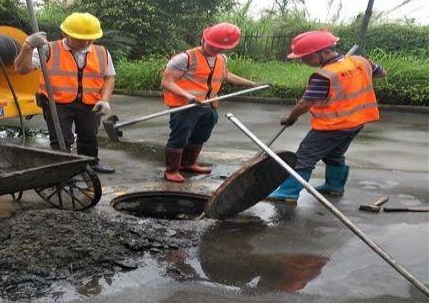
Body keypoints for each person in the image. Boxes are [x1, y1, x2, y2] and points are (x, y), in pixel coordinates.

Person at [267, 30, 387, 202]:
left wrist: (291, 118)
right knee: (334, 154)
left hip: (333, 125)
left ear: (323, 52)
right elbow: (381, 72)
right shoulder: (361, 61)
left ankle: (288, 192)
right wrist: (354, 72)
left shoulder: (324, 76)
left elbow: (305, 104)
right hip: (356, 122)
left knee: (303, 157)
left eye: (306, 57)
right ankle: (334, 186)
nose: (303, 60)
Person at [14, 12, 116, 173]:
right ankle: (63, 170)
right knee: (62, 139)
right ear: (65, 34)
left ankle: (90, 164)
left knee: (89, 136)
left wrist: (104, 99)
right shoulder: (48, 49)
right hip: (57, 103)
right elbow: (21, 69)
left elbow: (109, 77)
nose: (87, 42)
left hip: (90, 102)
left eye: (91, 39)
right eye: (81, 39)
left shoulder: (101, 52)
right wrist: (27, 47)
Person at [160, 23, 259, 183]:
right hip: (185, 107)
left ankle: (188, 163)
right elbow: (167, 82)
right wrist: (188, 96)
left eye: (220, 48)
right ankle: (171, 171)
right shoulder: (184, 58)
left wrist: (250, 83)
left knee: (201, 136)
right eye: (213, 46)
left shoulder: (221, 58)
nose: (216, 50)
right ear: (204, 38)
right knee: (179, 137)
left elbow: (226, 75)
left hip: (209, 106)